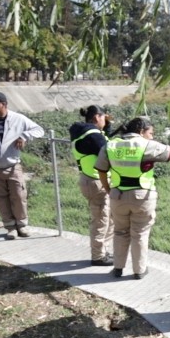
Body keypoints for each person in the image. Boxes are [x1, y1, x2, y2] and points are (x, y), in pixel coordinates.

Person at [95, 117, 170, 279]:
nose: (152, 137)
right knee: (139, 233)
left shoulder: (110, 145)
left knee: (120, 232)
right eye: (150, 133)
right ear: (141, 132)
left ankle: (118, 268)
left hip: (117, 195)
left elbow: (101, 170)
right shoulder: (147, 145)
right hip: (142, 196)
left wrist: (108, 189)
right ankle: (139, 271)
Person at [0, 91, 44, 240]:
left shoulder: (18, 119)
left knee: (19, 196)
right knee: (0, 198)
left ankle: (22, 225)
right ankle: (10, 227)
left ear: (3, 104)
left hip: (12, 166)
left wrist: (24, 136)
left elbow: (39, 130)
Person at [70, 105, 113, 266]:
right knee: (101, 220)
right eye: (104, 117)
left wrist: (106, 128)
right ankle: (98, 256)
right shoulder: (93, 135)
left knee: (108, 218)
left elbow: (103, 144)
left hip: (90, 180)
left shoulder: (83, 132)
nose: (105, 120)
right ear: (97, 117)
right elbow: (110, 151)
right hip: (96, 182)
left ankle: (103, 250)